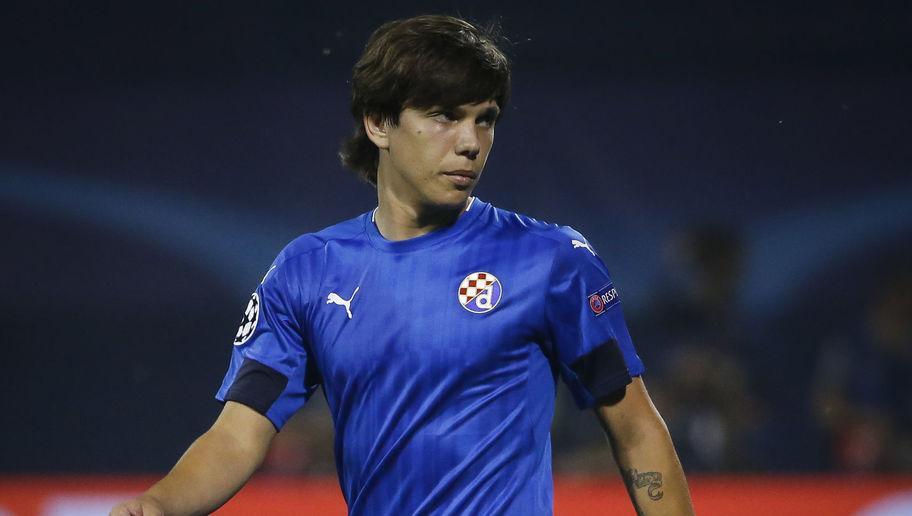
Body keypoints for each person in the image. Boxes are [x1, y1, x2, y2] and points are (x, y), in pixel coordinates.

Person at [111, 14, 693, 516]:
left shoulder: (552, 260)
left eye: (485, 118)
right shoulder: (307, 272)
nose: (470, 141)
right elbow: (238, 432)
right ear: (379, 123)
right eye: (444, 115)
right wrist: (160, 503)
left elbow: (637, 429)